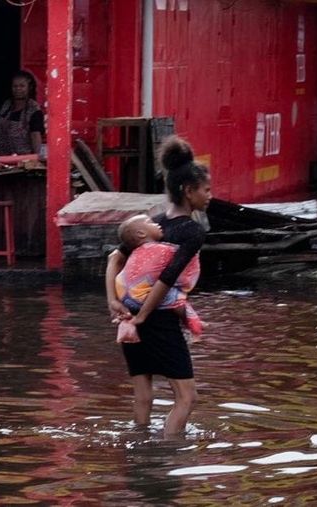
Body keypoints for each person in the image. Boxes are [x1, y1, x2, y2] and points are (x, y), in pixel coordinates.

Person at [104, 136, 212, 438]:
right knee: (187, 397)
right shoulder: (192, 231)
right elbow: (167, 279)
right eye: (206, 190)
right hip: (157, 320)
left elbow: (114, 259)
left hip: (128, 319)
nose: (210, 195)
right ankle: (167, 457)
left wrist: (113, 301)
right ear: (188, 191)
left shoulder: (152, 224)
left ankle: (138, 454)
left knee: (144, 396)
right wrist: (143, 317)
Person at [114, 214, 204, 344]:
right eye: (151, 223)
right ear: (141, 233)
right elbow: (184, 260)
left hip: (124, 297)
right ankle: (194, 325)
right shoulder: (162, 249)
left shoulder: (135, 252)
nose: (158, 225)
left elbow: (114, 259)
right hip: (140, 298)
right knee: (177, 298)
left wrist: (113, 300)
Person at [0, 70, 45, 158]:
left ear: (30, 87)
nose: (18, 89)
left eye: (22, 86)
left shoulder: (33, 110)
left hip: (19, 161)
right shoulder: (6, 104)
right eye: (15, 86)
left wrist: (36, 157)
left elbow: (35, 135)